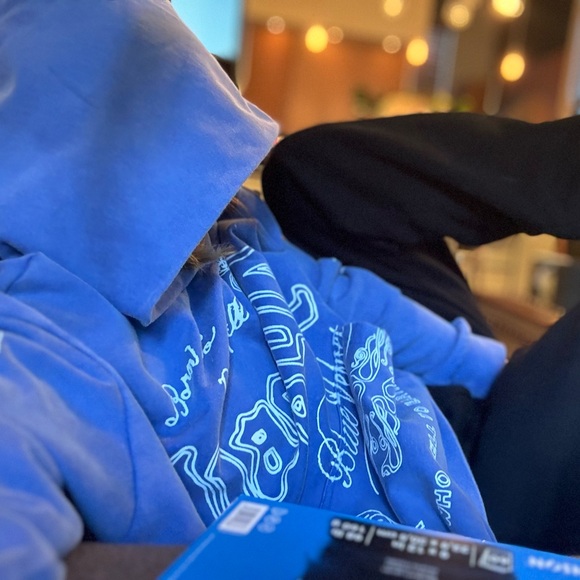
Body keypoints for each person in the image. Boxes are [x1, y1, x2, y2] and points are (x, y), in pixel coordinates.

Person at [0, 1, 510, 577]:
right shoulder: (39, 338)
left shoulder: (230, 219)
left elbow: (338, 291)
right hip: (417, 535)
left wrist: (487, 367)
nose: (217, 182)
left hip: (433, 425)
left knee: (319, 163)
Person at [261, 114, 580, 554]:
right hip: (466, 504)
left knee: (308, 170)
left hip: (451, 392)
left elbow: (326, 288)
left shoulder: (232, 228)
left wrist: (475, 363)